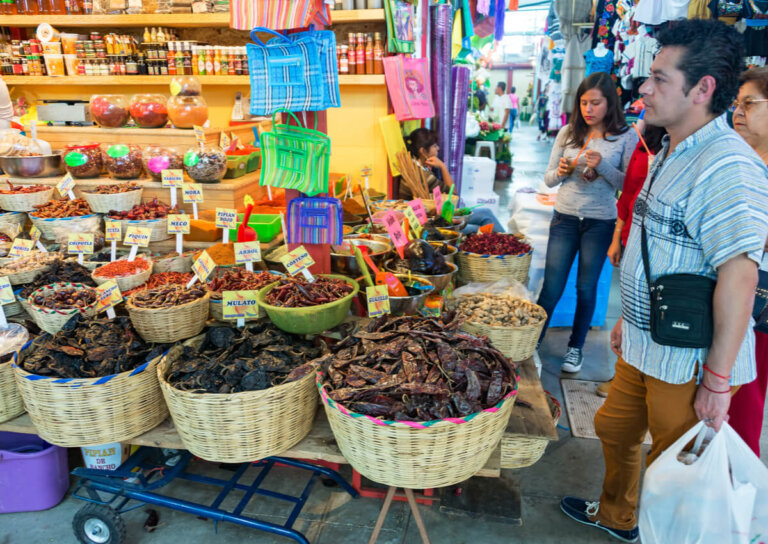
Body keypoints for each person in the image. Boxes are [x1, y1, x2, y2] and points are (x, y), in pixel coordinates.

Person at [560, 19, 768, 543]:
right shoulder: (673, 146)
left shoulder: (728, 167)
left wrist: (718, 382)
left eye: (658, 78)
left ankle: (662, 533)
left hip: (687, 357)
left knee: (678, 467)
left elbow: (740, 278)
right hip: (644, 341)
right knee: (614, 428)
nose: (643, 88)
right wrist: (629, 320)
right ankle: (618, 517)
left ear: (703, 89)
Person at [537, 72, 638, 373]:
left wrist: (603, 165)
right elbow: (549, 178)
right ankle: (532, 343)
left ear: (610, 104)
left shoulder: (626, 136)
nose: (588, 109)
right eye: (583, 102)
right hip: (565, 217)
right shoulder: (568, 133)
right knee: (551, 287)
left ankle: (575, 348)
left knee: (585, 287)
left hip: (600, 222)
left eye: (595, 102)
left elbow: (627, 184)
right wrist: (563, 171)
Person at [598, 118, 667, 397]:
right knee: (630, 314)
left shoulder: (686, 149)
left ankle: (651, 382)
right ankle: (622, 377)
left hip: (663, 251)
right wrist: (617, 238)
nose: (648, 92)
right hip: (631, 240)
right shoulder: (642, 143)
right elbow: (626, 194)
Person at [728, 66, 768, 456]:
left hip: (760, 295)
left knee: (745, 393)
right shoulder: (740, 160)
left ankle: (736, 485)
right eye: (737, 104)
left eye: (750, 103)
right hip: (727, 288)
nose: (739, 112)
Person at [401, 128, 505, 234]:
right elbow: (453, 192)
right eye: (434, 146)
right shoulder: (420, 174)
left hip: (437, 216)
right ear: (422, 151)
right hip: (429, 225)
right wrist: (442, 167)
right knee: (480, 227)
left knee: (485, 213)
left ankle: (511, 240)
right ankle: (509, 241)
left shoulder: (420, 167)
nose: (438, 148)